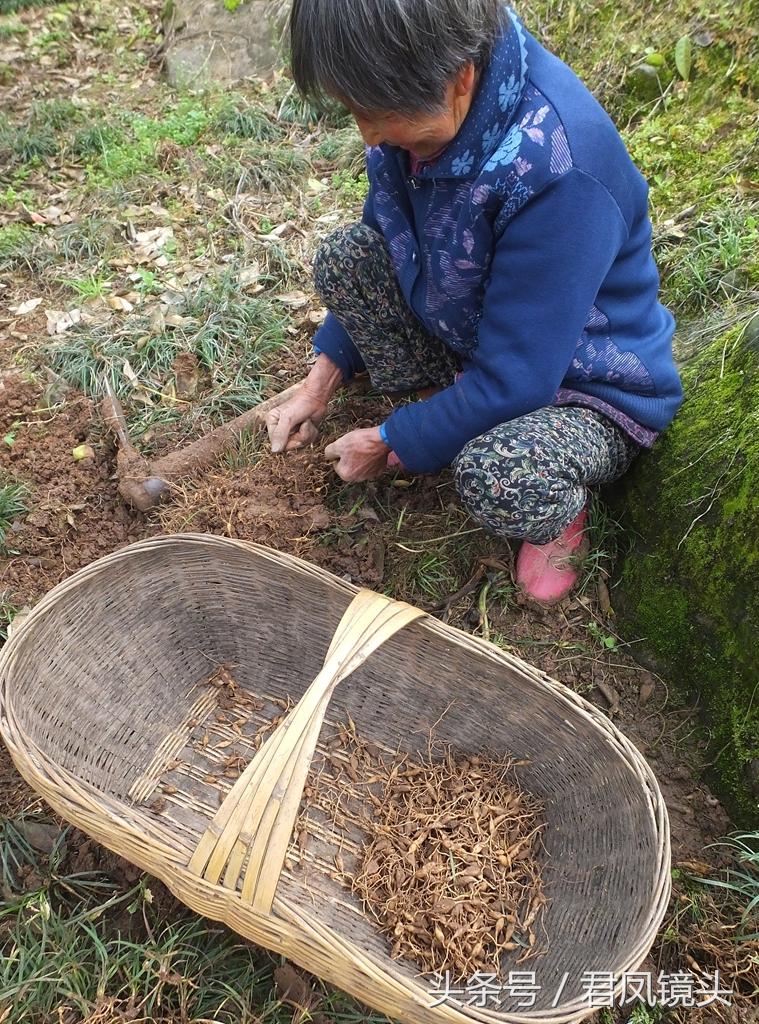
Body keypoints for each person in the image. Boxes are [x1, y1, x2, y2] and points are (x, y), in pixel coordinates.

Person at [266, 0, 683, 605]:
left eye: (380, 115)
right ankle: (443, 405)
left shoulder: (559, 170)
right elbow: (389, 235)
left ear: (459, 78)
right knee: (348, 258)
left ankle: (558, 507)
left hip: (582, 383)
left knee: (498, 475)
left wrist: (390, 439)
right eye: (356, 111)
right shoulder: (419, 97)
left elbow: (520, 379)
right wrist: (322, 376)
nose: (369, 134)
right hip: (476, 334)